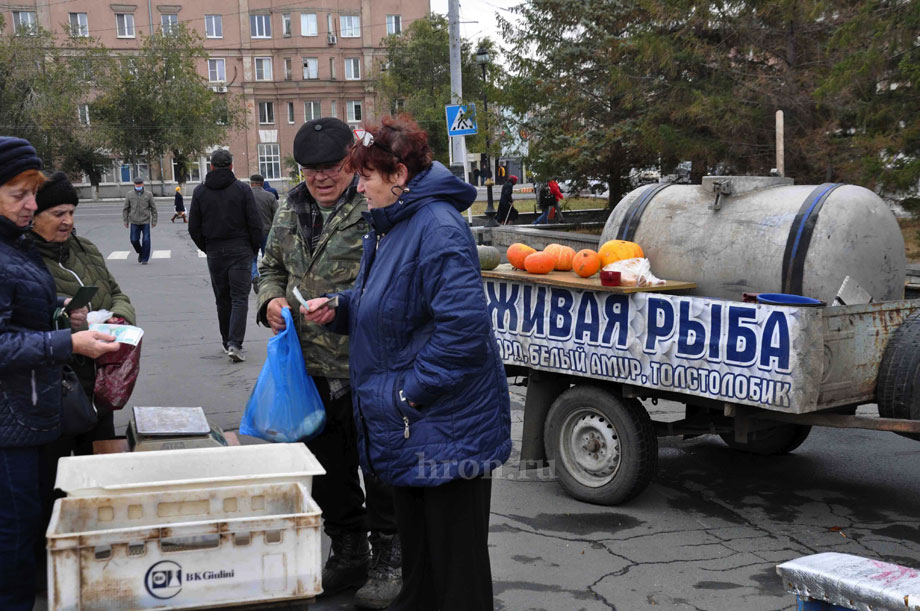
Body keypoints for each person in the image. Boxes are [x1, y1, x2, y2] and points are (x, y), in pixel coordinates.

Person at [303, 116, 512, 611]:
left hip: (444, 424)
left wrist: (407, 394)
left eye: (367, 177)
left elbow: (463, 334)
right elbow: (390, 302)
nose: (359, 186)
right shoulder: (392, 224)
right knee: (422, 567)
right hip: (416, 427)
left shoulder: (437, 228)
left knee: (456, 574)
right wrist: (343, 308)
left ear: (398, 175)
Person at [257, 117, 400, 608]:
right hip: (309, 367)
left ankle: (389, 556)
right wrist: (271, 300)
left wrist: (343, 304)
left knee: (379, 467)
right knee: (326, 468)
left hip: (368, 364)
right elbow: (270, 267)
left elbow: (396, 277)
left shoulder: (376, 204)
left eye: (332, 168)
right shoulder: (287, 208)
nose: (320, 178)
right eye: (310, 169)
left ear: (351, 163)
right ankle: (348, 551)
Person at [0, 137, 118, 610]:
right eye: (18, 196)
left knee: (25, 524)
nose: (31, 205)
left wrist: (60, 314)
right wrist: (68, 341)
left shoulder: (14, 244)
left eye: (34, 194)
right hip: (12, 423)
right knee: (13, 534)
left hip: (29, 414)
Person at [188, 149, 262, 363]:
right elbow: (254, 223)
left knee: (222, 298)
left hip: (215, 251)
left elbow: (194, 227)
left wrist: (206, 246)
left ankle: (225, 340)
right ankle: (235, 344)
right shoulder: (242, 190)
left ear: (211, 166)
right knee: (239, 298)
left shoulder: (200, 192)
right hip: (240, 249)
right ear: (231, 166)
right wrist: (253, 249)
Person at [249, 173, 278, 295]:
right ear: (262, 183)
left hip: (250, 233)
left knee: (252, 257)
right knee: (267, 257)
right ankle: (266, 280)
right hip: (267, 231)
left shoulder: (246, 196)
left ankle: (254, 275)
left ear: (251, 183)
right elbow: (277, 215)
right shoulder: (270, 196)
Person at [122, 176, 157, 264]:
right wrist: (126, 221)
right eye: (136, 184)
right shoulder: (129, 194)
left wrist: (154, 221)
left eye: (139, 184)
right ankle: (140, 252)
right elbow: (125, 209)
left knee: (146, 240)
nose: (138, 185)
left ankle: (145, 259)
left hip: (145, 221)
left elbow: (153, 209)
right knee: (134, 240)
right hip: (134, 221)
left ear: (143, 184)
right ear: (134, 184)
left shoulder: (148, 194)